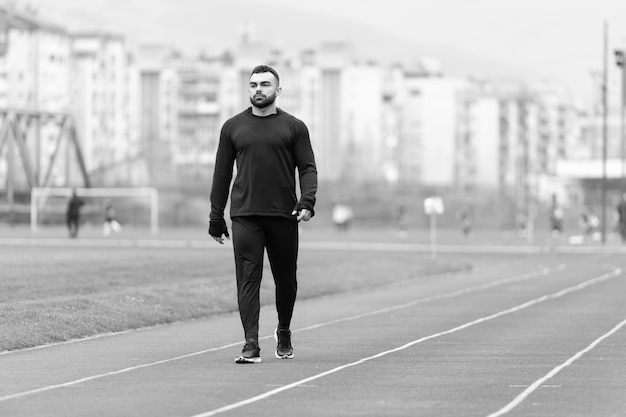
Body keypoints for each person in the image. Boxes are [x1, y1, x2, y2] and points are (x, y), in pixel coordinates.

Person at [208, 65, 318, 364]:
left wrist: (307, 200)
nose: (258, 89)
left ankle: (283, 329)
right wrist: (216, 217)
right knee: (247, 279)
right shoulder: (232, 127)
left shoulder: (294, 127)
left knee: (286, 280)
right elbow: (221, 174)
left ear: (277, 91)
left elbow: (307, 167)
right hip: (245, 215)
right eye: (254, 84)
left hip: (284, 214)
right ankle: (251, 344)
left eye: (265, 84)